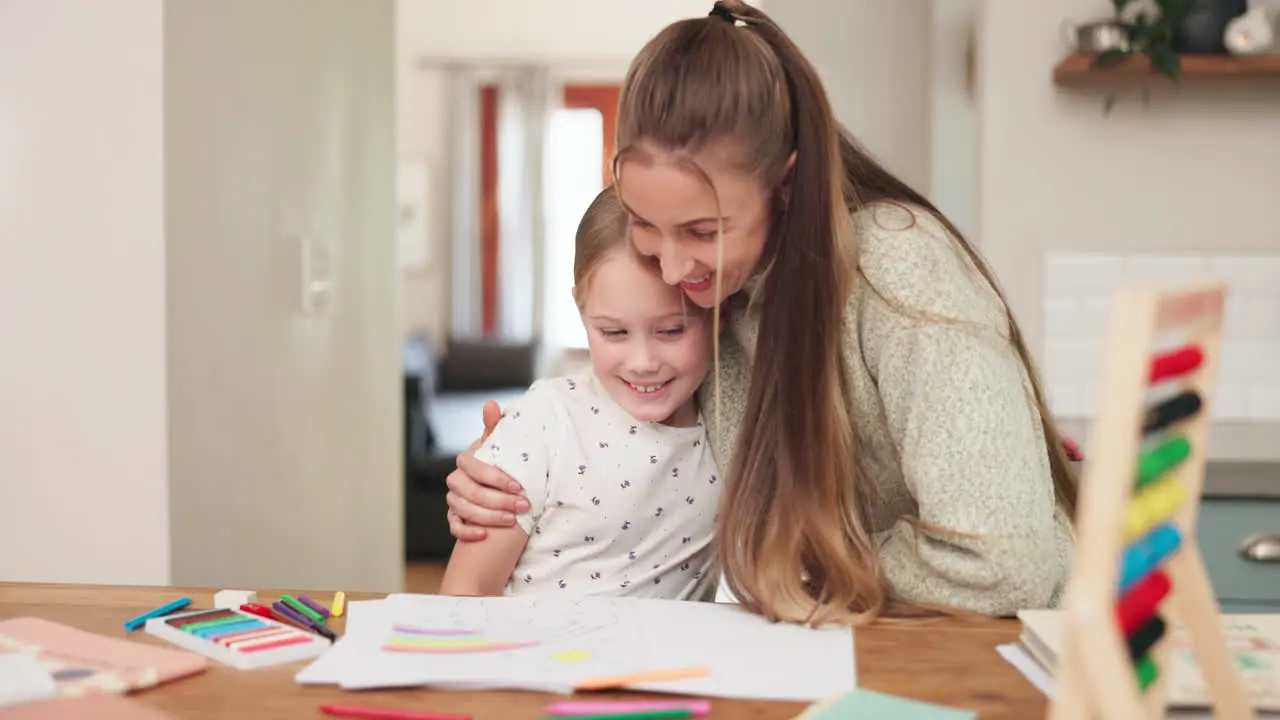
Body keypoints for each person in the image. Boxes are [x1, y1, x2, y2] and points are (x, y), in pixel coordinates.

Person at [444, 0, 1077, 625]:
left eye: (700, 230)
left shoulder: (899, 268)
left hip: (1017, 650)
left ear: (787, 185)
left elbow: (1000, 560)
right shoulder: (716, 297)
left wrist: (800, 568)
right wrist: (507, 472)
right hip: (864, 642)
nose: (669, 269)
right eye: (645, 225)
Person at [439, 188, 721, 601]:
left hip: (661, 667)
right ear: (581, 309)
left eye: (671, 330)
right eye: (613, 332)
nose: (643, 361)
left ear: (718, 308)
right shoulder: (544, 421)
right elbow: (467, 589)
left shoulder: (730, 424)